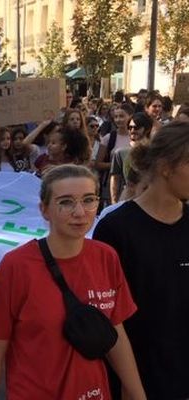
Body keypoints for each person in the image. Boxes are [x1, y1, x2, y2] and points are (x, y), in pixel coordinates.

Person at [0, 164, 146, 400]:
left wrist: (137, 394)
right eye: (65, 202)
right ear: (44, 210)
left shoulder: (106, 257)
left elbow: (116, 333)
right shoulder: (17, 265)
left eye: (89, 200)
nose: (79, 212)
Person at [93, 121, 189, 399]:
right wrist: (130, 386)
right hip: (136, 383)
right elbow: (106, 316)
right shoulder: (116, 229)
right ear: (165, 167)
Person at [109, 113, 152, 204]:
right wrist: (114, 202)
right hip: (127, 200)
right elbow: (115, 179)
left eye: (136, 128)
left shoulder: (155, 152)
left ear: (147, 129)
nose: (132, 130)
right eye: (130, 127)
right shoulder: (120, 152)